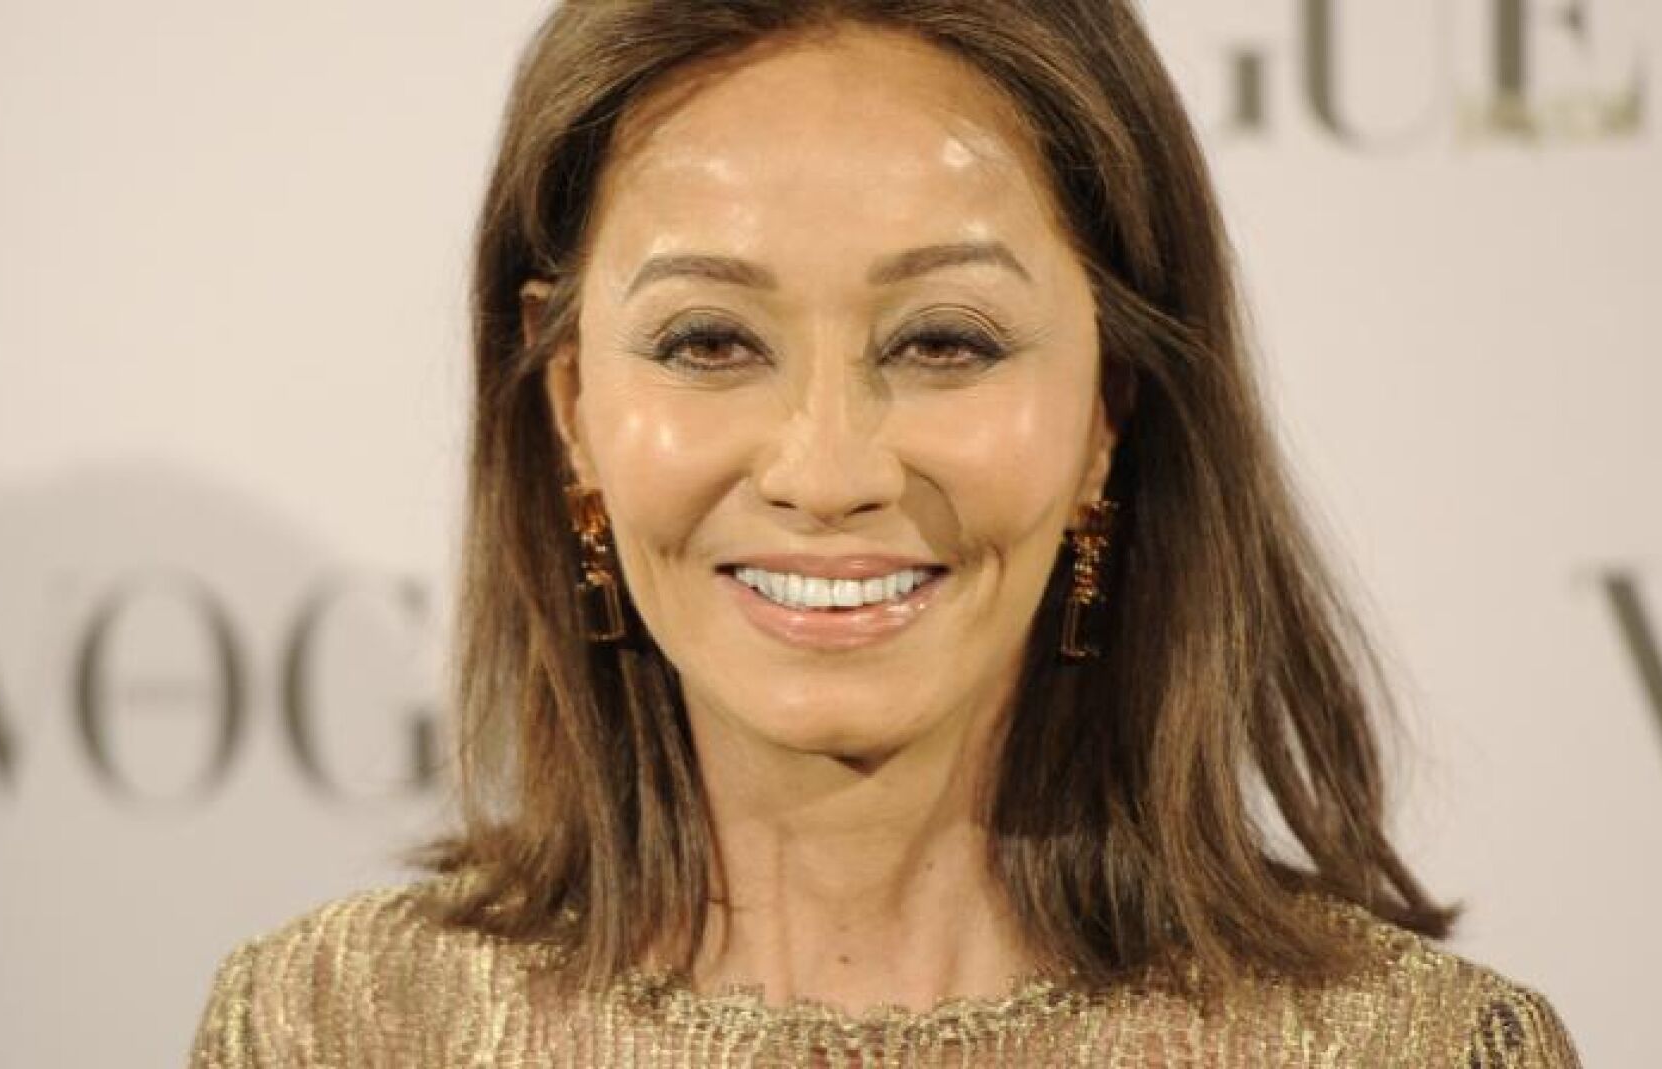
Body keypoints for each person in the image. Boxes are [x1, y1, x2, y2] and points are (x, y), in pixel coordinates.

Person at [189, 2, 1579, 1065]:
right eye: (710, 341)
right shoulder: (339, 1031)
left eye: (943, 341)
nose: (828, 469)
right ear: (571, 409)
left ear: (1109, 409)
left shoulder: (1417, 1051)